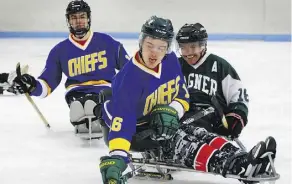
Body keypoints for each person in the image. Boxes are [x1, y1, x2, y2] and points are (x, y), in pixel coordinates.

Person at [96, 16, 272, 184]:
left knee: (200, 134)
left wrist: (173, 109)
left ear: (168, 48)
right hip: (140, 133)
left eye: (161, 47)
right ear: (141, 43)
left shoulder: (171, 61)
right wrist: (118, 156)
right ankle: (237, 167)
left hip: (167, 122)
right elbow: (122, 123)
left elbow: (182, 93)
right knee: (184, 145)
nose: (154, 53)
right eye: (150, 45)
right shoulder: (127, 80)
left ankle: (245, 158)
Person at [11, 0, 130, 134]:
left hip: (105, 92)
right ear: (68, 21)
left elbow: (131, 71)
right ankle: (90, 119)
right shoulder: (59, 51)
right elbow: (46, 85)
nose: (78, 21)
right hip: (76, 94)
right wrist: (32, 85)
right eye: (74, 17)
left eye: (82, 17)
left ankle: (100, 116)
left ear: (88, 18)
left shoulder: (108, 42)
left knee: (94, 106)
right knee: (78, 109)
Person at [175, 23, 276, 176]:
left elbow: (239, 95)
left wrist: (236, 116)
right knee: (194, 132)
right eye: (183, 47)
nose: (188, 52)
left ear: (203, 45)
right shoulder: (175, 66)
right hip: (183, 116)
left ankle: (245, 161)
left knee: (202, 133)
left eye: (193, 47)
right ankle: (242, 162)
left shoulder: (219, 65)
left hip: (210, 118)